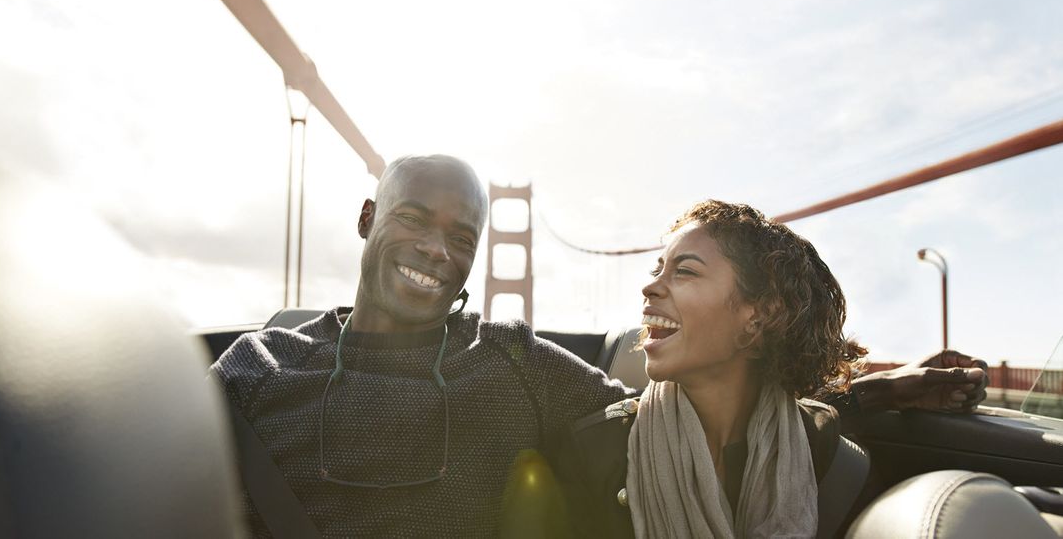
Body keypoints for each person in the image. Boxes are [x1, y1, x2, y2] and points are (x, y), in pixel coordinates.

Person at [210, 155, 987, 537]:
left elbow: (691, 415)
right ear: (367, 218)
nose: (435, 249)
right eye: (412, 219)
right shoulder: (256, 368)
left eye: (461, 236)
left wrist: (871, 391)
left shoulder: (514, 360)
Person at [554, 200, 987, 538]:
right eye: (658, 269)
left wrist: (886, 390)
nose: (649, 286)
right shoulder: (595, 450)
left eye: (684, 271)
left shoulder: (821, 447)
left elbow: (811, 416)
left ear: (757, 318)